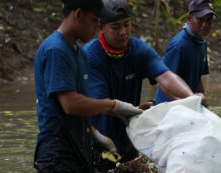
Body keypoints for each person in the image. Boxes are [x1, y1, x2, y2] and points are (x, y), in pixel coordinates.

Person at [84, 0, 207, 165]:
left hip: (130, 143)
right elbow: (101, 103)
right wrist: (133, 111)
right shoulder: (90, 56)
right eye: (115, 27)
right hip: (99, 144)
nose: (123, 32)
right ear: (101, 28)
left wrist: (191, 98)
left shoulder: (139, 49)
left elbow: (165, 77)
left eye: (127, 25)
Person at [33, 0, 143, 172]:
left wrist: (93, 133)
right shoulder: (55, 50)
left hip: (79, 151)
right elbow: (70, 104)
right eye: (94, 19)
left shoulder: (79, 52)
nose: (97, 26)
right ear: (78, 14)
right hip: (57, 154)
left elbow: (83, 103)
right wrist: (114, 106)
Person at [155, 0, 217, 104]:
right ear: (189, 18)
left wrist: (204, 107)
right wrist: (182, 102)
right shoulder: (179, 45)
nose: (204, 25)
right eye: (200, 20)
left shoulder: (202, 43)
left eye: (208, 20)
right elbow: (162, 82)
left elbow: (198, 79)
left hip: (189, 105)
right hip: (168, 108)